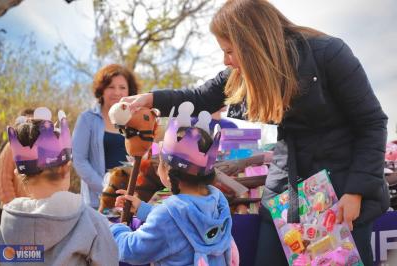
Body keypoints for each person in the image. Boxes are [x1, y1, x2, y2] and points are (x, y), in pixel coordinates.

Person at [119, 1, 388, 265]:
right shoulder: (242, 75)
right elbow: (200, 97)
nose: (226, 60)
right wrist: (151, 99)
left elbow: (372, 123)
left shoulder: (329, 54)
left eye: (229, 51)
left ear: (251, 44)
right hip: (287, 192)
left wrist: (356, 192)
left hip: (340, 193)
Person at [109, 102, 238, 265]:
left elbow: (133, 251)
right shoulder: (216, 199)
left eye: (160, 164)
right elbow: (183, 220)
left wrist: (115, 230)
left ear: (170, 174)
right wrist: (143, 209)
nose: (157, 171)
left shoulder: (167, 216)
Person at [0, 107, 118, 265]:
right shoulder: (91, 222)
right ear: (66, 168)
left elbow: (9, 259)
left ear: (20, 175)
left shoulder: (9, 222)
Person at [72, 64, 139, 208]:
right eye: (111, 87)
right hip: (97, 202)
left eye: (122, 87)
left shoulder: (136, 120)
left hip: (128, 201)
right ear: (101, 90)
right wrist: (106, 188)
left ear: (129, 91)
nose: (117, 92)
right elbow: (79, 160)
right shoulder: (87, 119)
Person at [0, 108, 34, 206]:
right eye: (26, 121)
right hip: (16, 211)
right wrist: (14, 206)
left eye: (33, 122)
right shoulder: (11, 147)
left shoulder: (40, 148)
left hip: (37, 211)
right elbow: (2, 180)